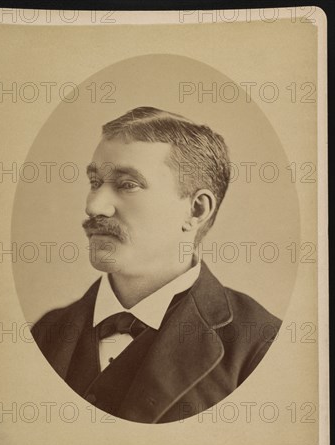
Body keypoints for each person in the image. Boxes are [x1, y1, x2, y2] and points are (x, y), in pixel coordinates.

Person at [32, 106, 281, 423]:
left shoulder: (259, 345)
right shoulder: (46, 332)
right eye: (95, 182)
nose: (93, 205)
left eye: (127, 184)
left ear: (196, 210)